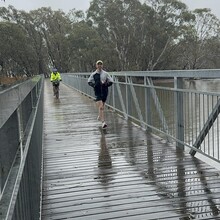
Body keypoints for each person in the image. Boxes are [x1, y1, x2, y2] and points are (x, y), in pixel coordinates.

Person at [88, 60, 113, 129]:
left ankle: (100, 116)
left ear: (102, 65)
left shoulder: (105, 74)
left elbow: (111, 81)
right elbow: (89, 81)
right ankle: (103, 122)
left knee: (102, 106)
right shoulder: (93, 74)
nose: (99, 66)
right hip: (98, 92)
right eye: (98, 64)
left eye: (101, 64)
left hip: (104, 92)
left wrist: (106, 84)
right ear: (96, 65)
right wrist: (94, 85)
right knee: (101, 107)